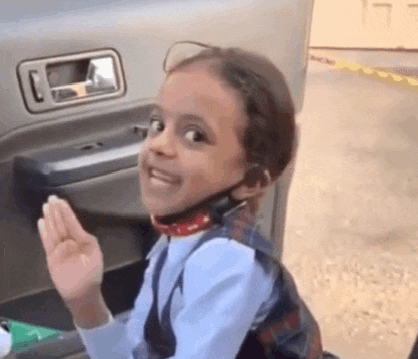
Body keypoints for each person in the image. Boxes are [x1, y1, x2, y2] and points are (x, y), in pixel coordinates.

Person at [38, 41, 331, 359]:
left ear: (252, 180)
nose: (159, 144)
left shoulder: (226, 261)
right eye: (157, 125)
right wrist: (86, 302)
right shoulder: (177, 240)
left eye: (194, 135)